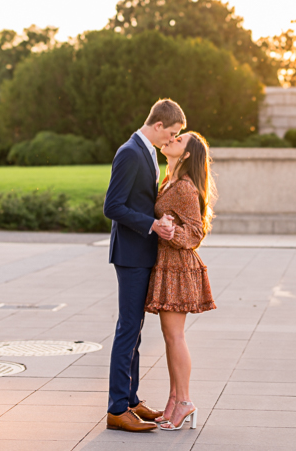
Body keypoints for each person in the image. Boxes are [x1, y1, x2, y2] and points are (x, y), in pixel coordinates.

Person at [103, 99, 185, 433]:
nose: (173, 139)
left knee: (134, 330)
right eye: (173, 133)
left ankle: (131, 400)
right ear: (159, 125)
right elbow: (113, 206)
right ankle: (116, 409)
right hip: (130, 254)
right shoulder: (129, 151)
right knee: (128, 329)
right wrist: (151, 225)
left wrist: (158, 218)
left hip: (142, 252)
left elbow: (140, 202)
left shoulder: (147, 150)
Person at [145, 131, 217, 431]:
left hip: (178, 269)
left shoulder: (185, 188)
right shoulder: (170, 181)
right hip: (167, 266)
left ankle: (185, 401)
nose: (171, 140)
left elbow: (196, 234)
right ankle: (174, 400)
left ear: (186, 155)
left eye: (179, 140)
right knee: (169, 336)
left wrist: (169, 231)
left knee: (175, 337)